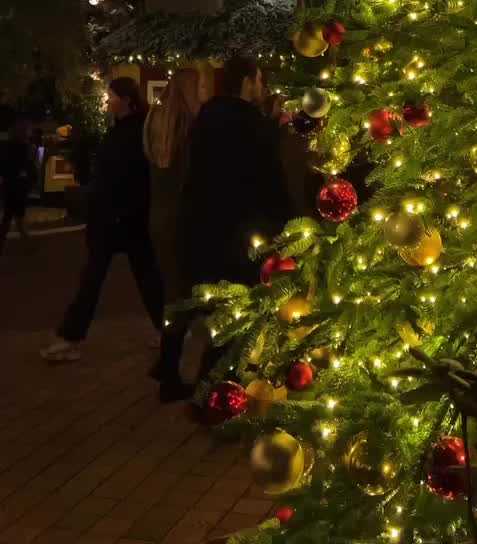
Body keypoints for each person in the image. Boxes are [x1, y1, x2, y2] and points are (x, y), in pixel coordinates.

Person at [162, 56, 293, 390]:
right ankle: (223, 386)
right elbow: (270, 182)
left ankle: (176, 377)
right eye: (260, 81)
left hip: (197, 224)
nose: (261, 88)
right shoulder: (252, 124)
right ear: (248, 82)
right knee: (240, 309)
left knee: (202, 301)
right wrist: (290, 224)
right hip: (237, 229)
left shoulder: (205, 118)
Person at [41, 77, 164, 363]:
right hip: (120, 218)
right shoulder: (126, 131)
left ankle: (69, 337)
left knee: (105, 278)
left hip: (121, 218)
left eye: (111, 96)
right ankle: (165, 329)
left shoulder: (135, 133)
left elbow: (129, 178)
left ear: (126, 99)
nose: (107, 100)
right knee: (139, 277)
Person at [143, 69, 201, 402]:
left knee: (172, 292)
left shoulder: (154, 121)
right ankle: (170, 373)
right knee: (182, 297)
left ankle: (165, 363)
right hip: (180, 219)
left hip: (158, 216)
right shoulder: (187, 126)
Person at [0, 118, 36, 254]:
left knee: (9, 217)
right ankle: (28, 245)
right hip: (19, 186)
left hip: (10, 184)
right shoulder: (25, 148)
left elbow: (3, 166)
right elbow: (29, 168)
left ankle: (24, 244)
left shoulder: (6, 147)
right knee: (17, 217)